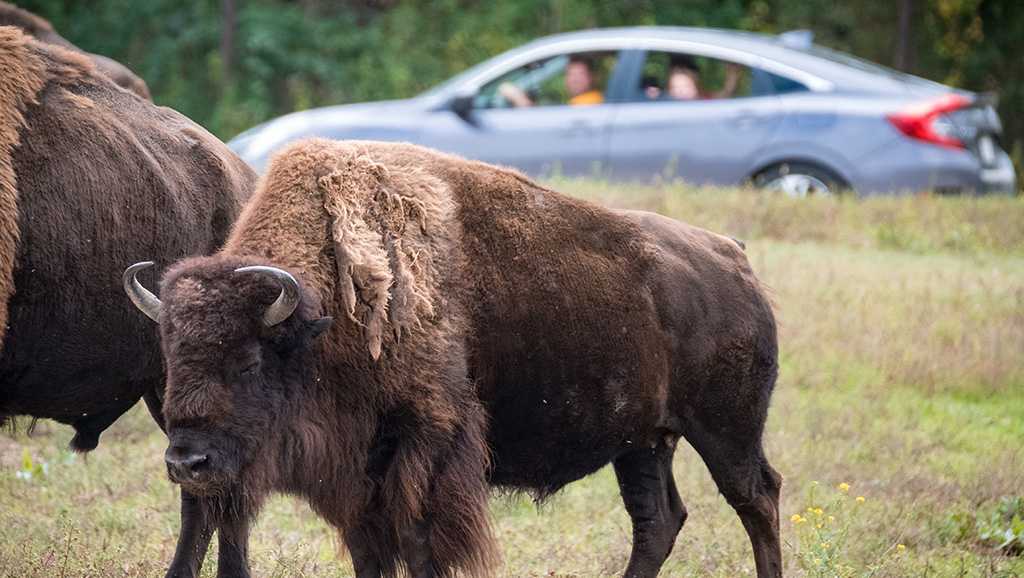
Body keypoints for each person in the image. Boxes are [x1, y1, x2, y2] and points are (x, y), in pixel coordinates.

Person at [499, 54, 604, 107]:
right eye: (570, 74)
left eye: (580, 74)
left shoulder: (591, 101)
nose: (574, 80)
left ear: (592, 77)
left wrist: (520, 100)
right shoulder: (578, 101)